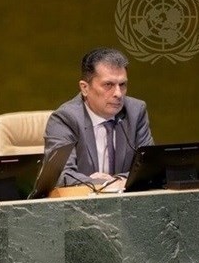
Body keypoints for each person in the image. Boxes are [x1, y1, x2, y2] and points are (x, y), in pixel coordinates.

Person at [44, 47, 154, 189]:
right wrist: (101, 184)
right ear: (85, 88)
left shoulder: (135, 111)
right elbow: (61, 176)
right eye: (108, 85)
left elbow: (149, 167)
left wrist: (116, 181)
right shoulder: (65, 119)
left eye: (122, 85)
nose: (118, 94)